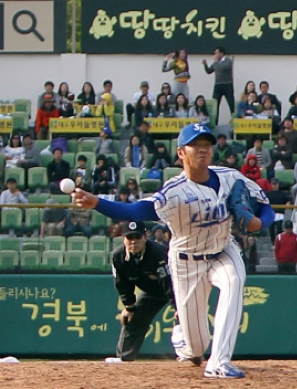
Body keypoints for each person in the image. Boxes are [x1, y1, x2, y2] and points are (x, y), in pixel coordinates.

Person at [73, 123, 274, 378]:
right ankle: (185, 341)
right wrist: (97, 203)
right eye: (196, 145)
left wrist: (260, 222)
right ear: (181, 153)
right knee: (196, 346)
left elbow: (265, 206)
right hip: (186, 262)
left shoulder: (230, 176)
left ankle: (219, 362)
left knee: (234, 281)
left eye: (207, 145)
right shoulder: (174, 192)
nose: (203, 150)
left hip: (223, 250)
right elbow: (136, 211)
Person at [103, 221, 173, 363]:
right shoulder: (118, 256)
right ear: (123, 239)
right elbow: (122, 284)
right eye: (130, 238)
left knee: (186, 319)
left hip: (177, 289)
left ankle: (191, 355)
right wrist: (129, 307)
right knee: (132, 318)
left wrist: (178, 307)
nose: (133, 241)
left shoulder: (158, 252)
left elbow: (169, 282)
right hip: (151, 292)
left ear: (145, 237)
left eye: (137, 237)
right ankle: (124, 358)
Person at [203, 46, 235, 122]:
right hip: (218, 85)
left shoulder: (228, 61)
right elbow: (209, 71)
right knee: (215, 105)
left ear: (222, 53)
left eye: (217, 53)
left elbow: (224, 68)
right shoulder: (216, 63)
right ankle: (215, 122)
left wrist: (216, 62)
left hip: (227, 85)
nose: (215, 54)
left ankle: (234, 120)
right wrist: (205, 65)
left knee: (231, 104)